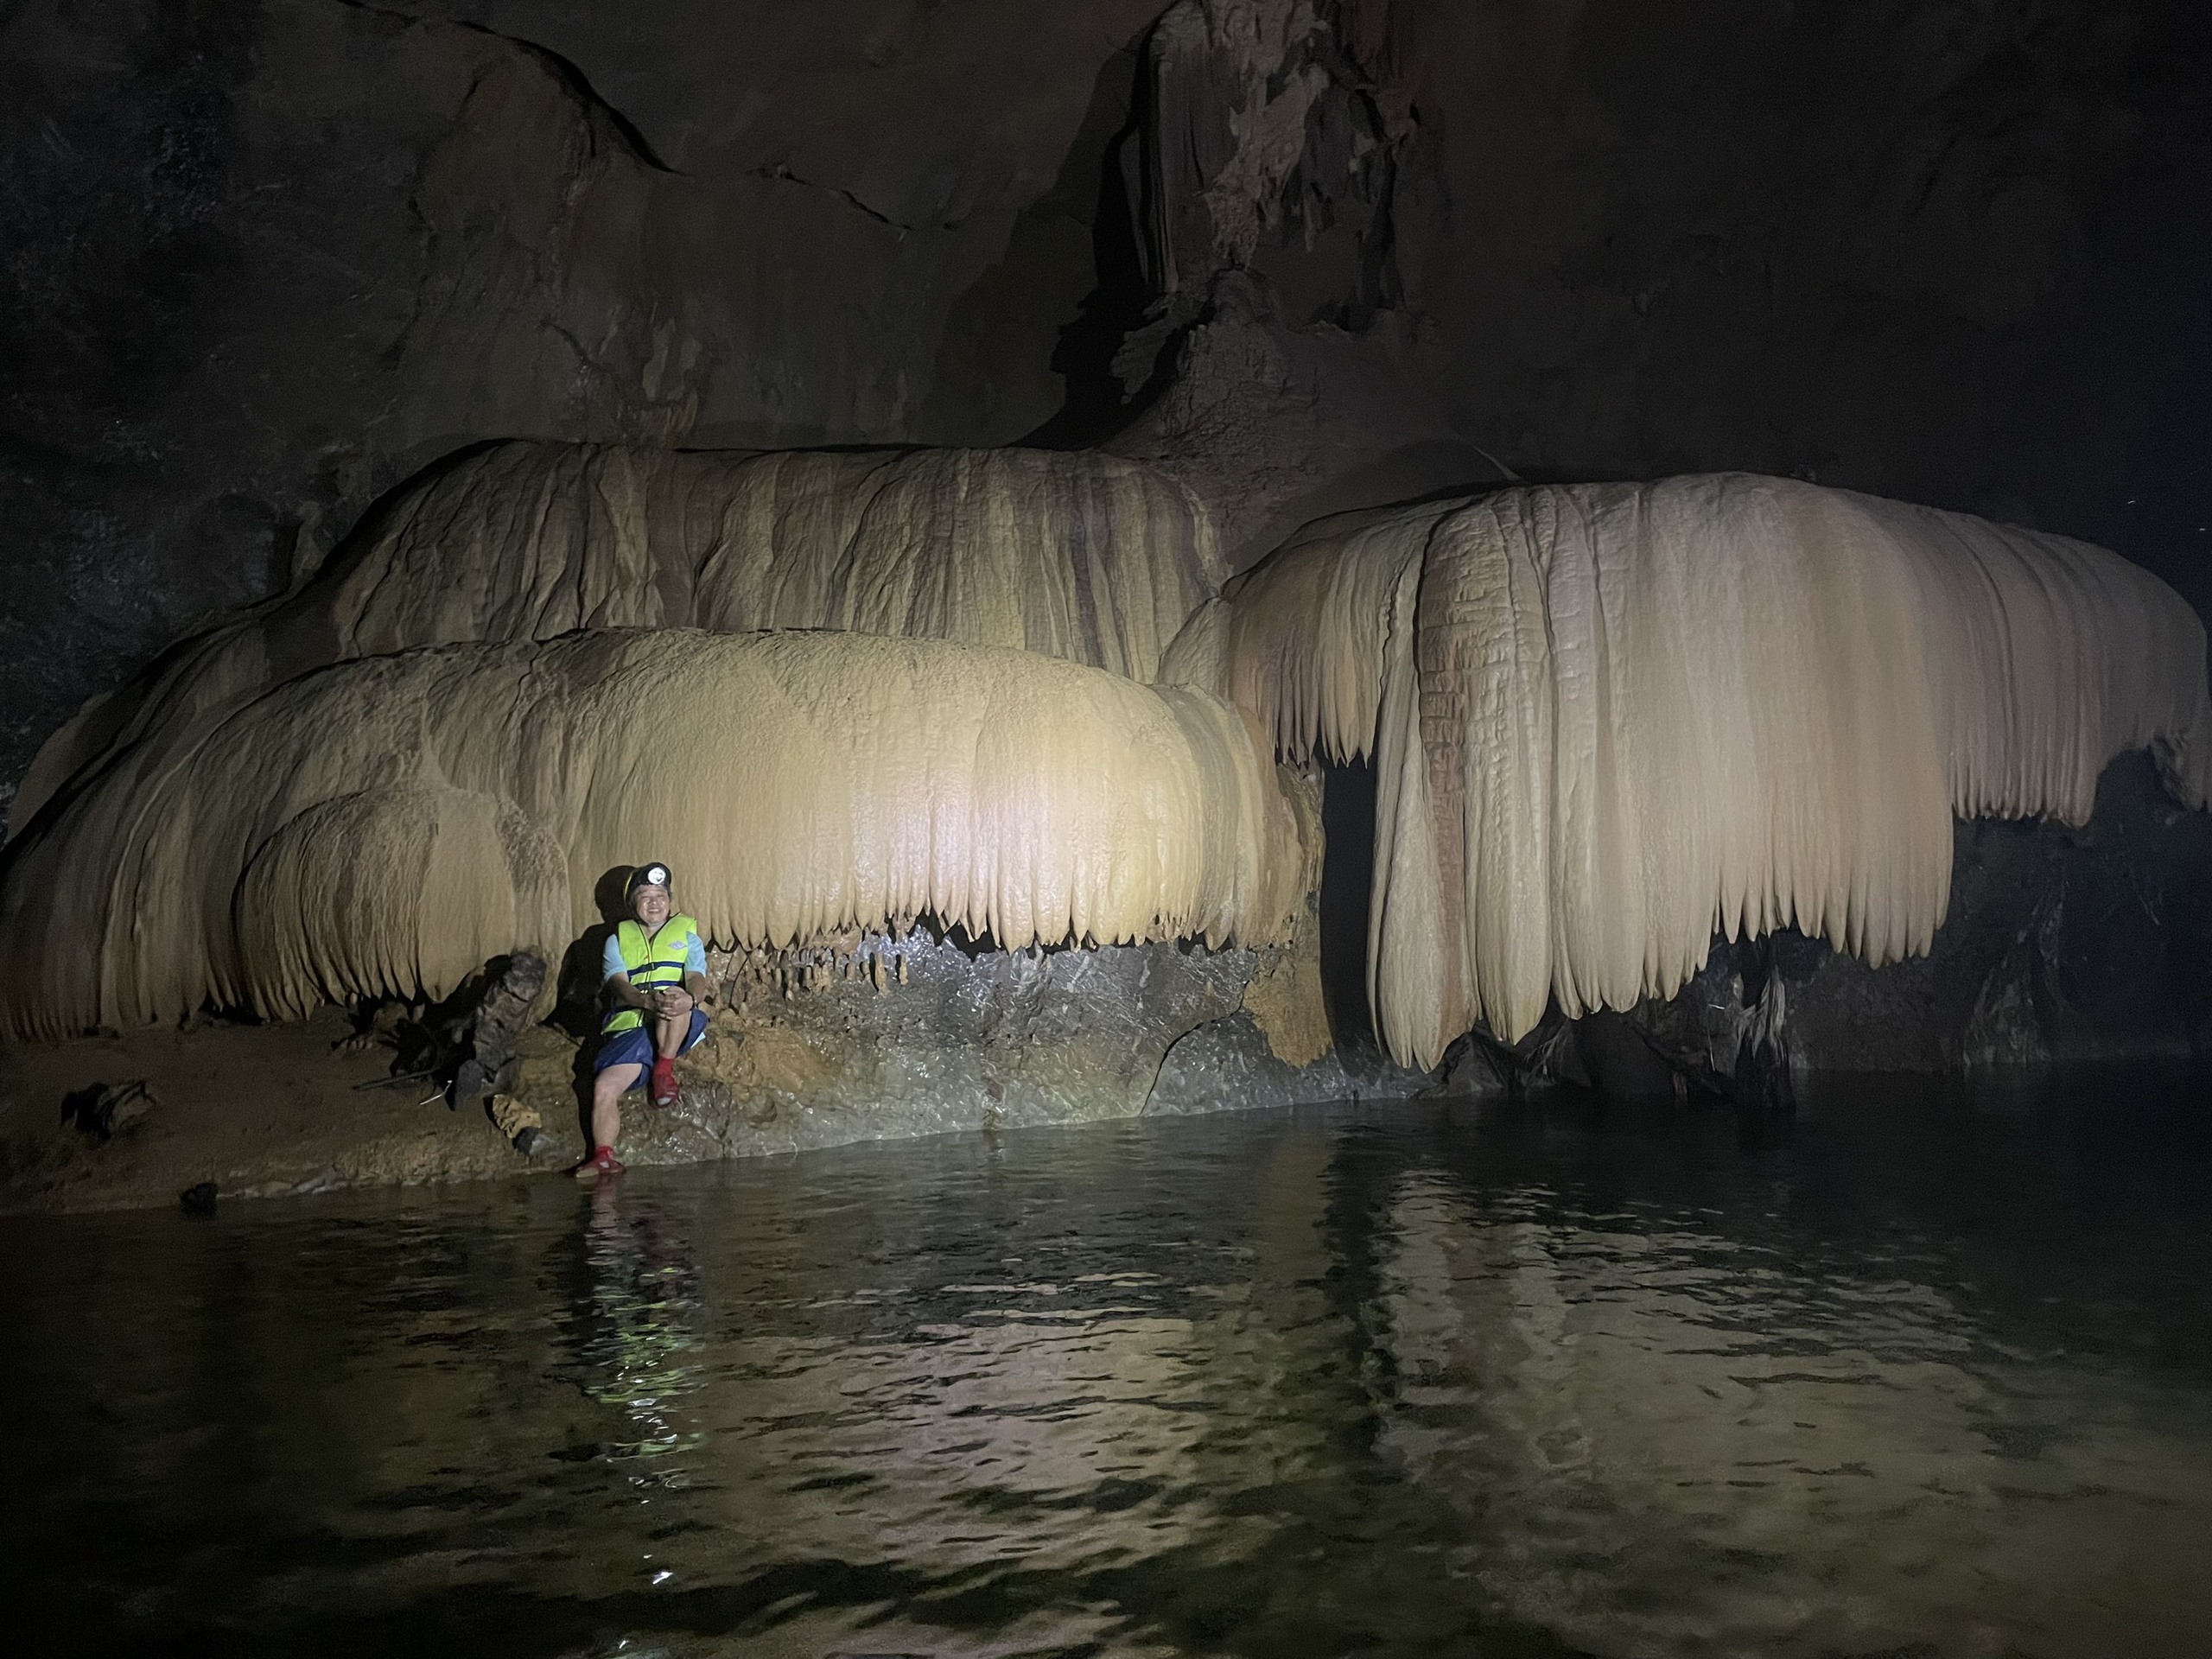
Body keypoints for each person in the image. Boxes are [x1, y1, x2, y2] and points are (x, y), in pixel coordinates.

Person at [582, 861, 710, 1177]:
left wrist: (690, 997)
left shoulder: (688, 937)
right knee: (603, 1086)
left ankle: (663, 1071)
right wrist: (644, 1001)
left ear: (669, 900)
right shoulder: (617, 941)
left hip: (674, 1021)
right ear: (633, 904)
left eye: (660, 895)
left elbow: (696, 977)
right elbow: (619, 984)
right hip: (633, 1025)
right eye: (645, 896)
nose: (654, 902)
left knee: (672, 997)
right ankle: (603, 1156)